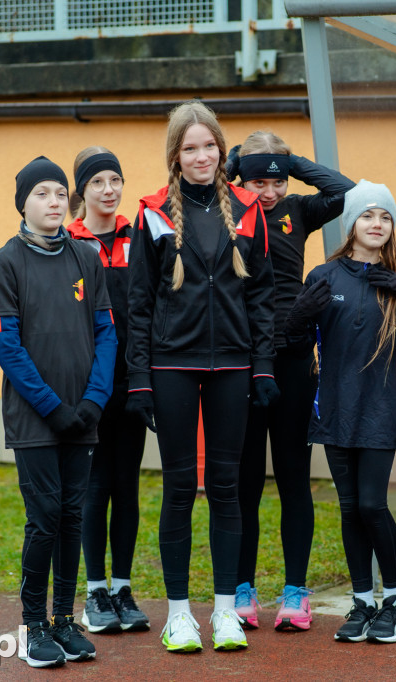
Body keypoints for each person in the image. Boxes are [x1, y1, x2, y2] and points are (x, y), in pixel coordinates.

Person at [125, 100, 278, 653]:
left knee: (228, 488)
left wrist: (262, 365)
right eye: (190, 148)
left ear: (221, 149)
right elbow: (138, 305)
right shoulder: (151, 213)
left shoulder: (247, 207)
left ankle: (225, 612)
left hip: (233, 367)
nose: (201, 156)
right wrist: (138, 380)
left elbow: (262, 296)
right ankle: (179, 615)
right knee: (179, 489)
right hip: (171, 367)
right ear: (175, 155)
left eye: (209, 145)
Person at [0, 156, 117, 667]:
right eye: (43, 193)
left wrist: (92, 401)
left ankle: (64, 620)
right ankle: (33, 627)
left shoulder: (87, 258)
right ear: (24, 202)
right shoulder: (7, 261)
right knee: (43, 521)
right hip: (36, 421)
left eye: (61, 192)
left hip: (83, 417)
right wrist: (52, 407)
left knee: (71, 517)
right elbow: (6, 345)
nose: (55, 201)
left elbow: (107, 332)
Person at [287, 180, 396, 644]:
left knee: (372, 504)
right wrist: (299, 317)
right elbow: (297, 344)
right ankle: (363, 602)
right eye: (368, 215)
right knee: (350, 510)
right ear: (351, 224)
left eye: (385, 217)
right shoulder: (324, 277)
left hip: (381, 409)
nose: (377, 223)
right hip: (336, 408)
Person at [225, 131, 355, 632]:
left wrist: (291, 163)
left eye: (276, 180)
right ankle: (241, 589)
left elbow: (346, 192)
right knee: (245, 482)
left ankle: (296, 593)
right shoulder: (231, 211)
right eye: (258, 180)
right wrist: (232, 167)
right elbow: (190, 195)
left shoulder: (297, 210)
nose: (269, 191)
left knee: (295, 478)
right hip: (241, 361)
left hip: (294, 359)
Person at [67, 147, 150, 634]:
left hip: (132, 384)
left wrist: (145, 380)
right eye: (97, 182)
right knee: (95, 488)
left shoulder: (138, 238)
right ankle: (95, 590)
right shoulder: (69, 242)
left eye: (115, 180)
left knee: (127, 484)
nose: (109, 190)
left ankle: (122, 587)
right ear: (83, 191)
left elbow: (149, 311)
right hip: (89, 388)